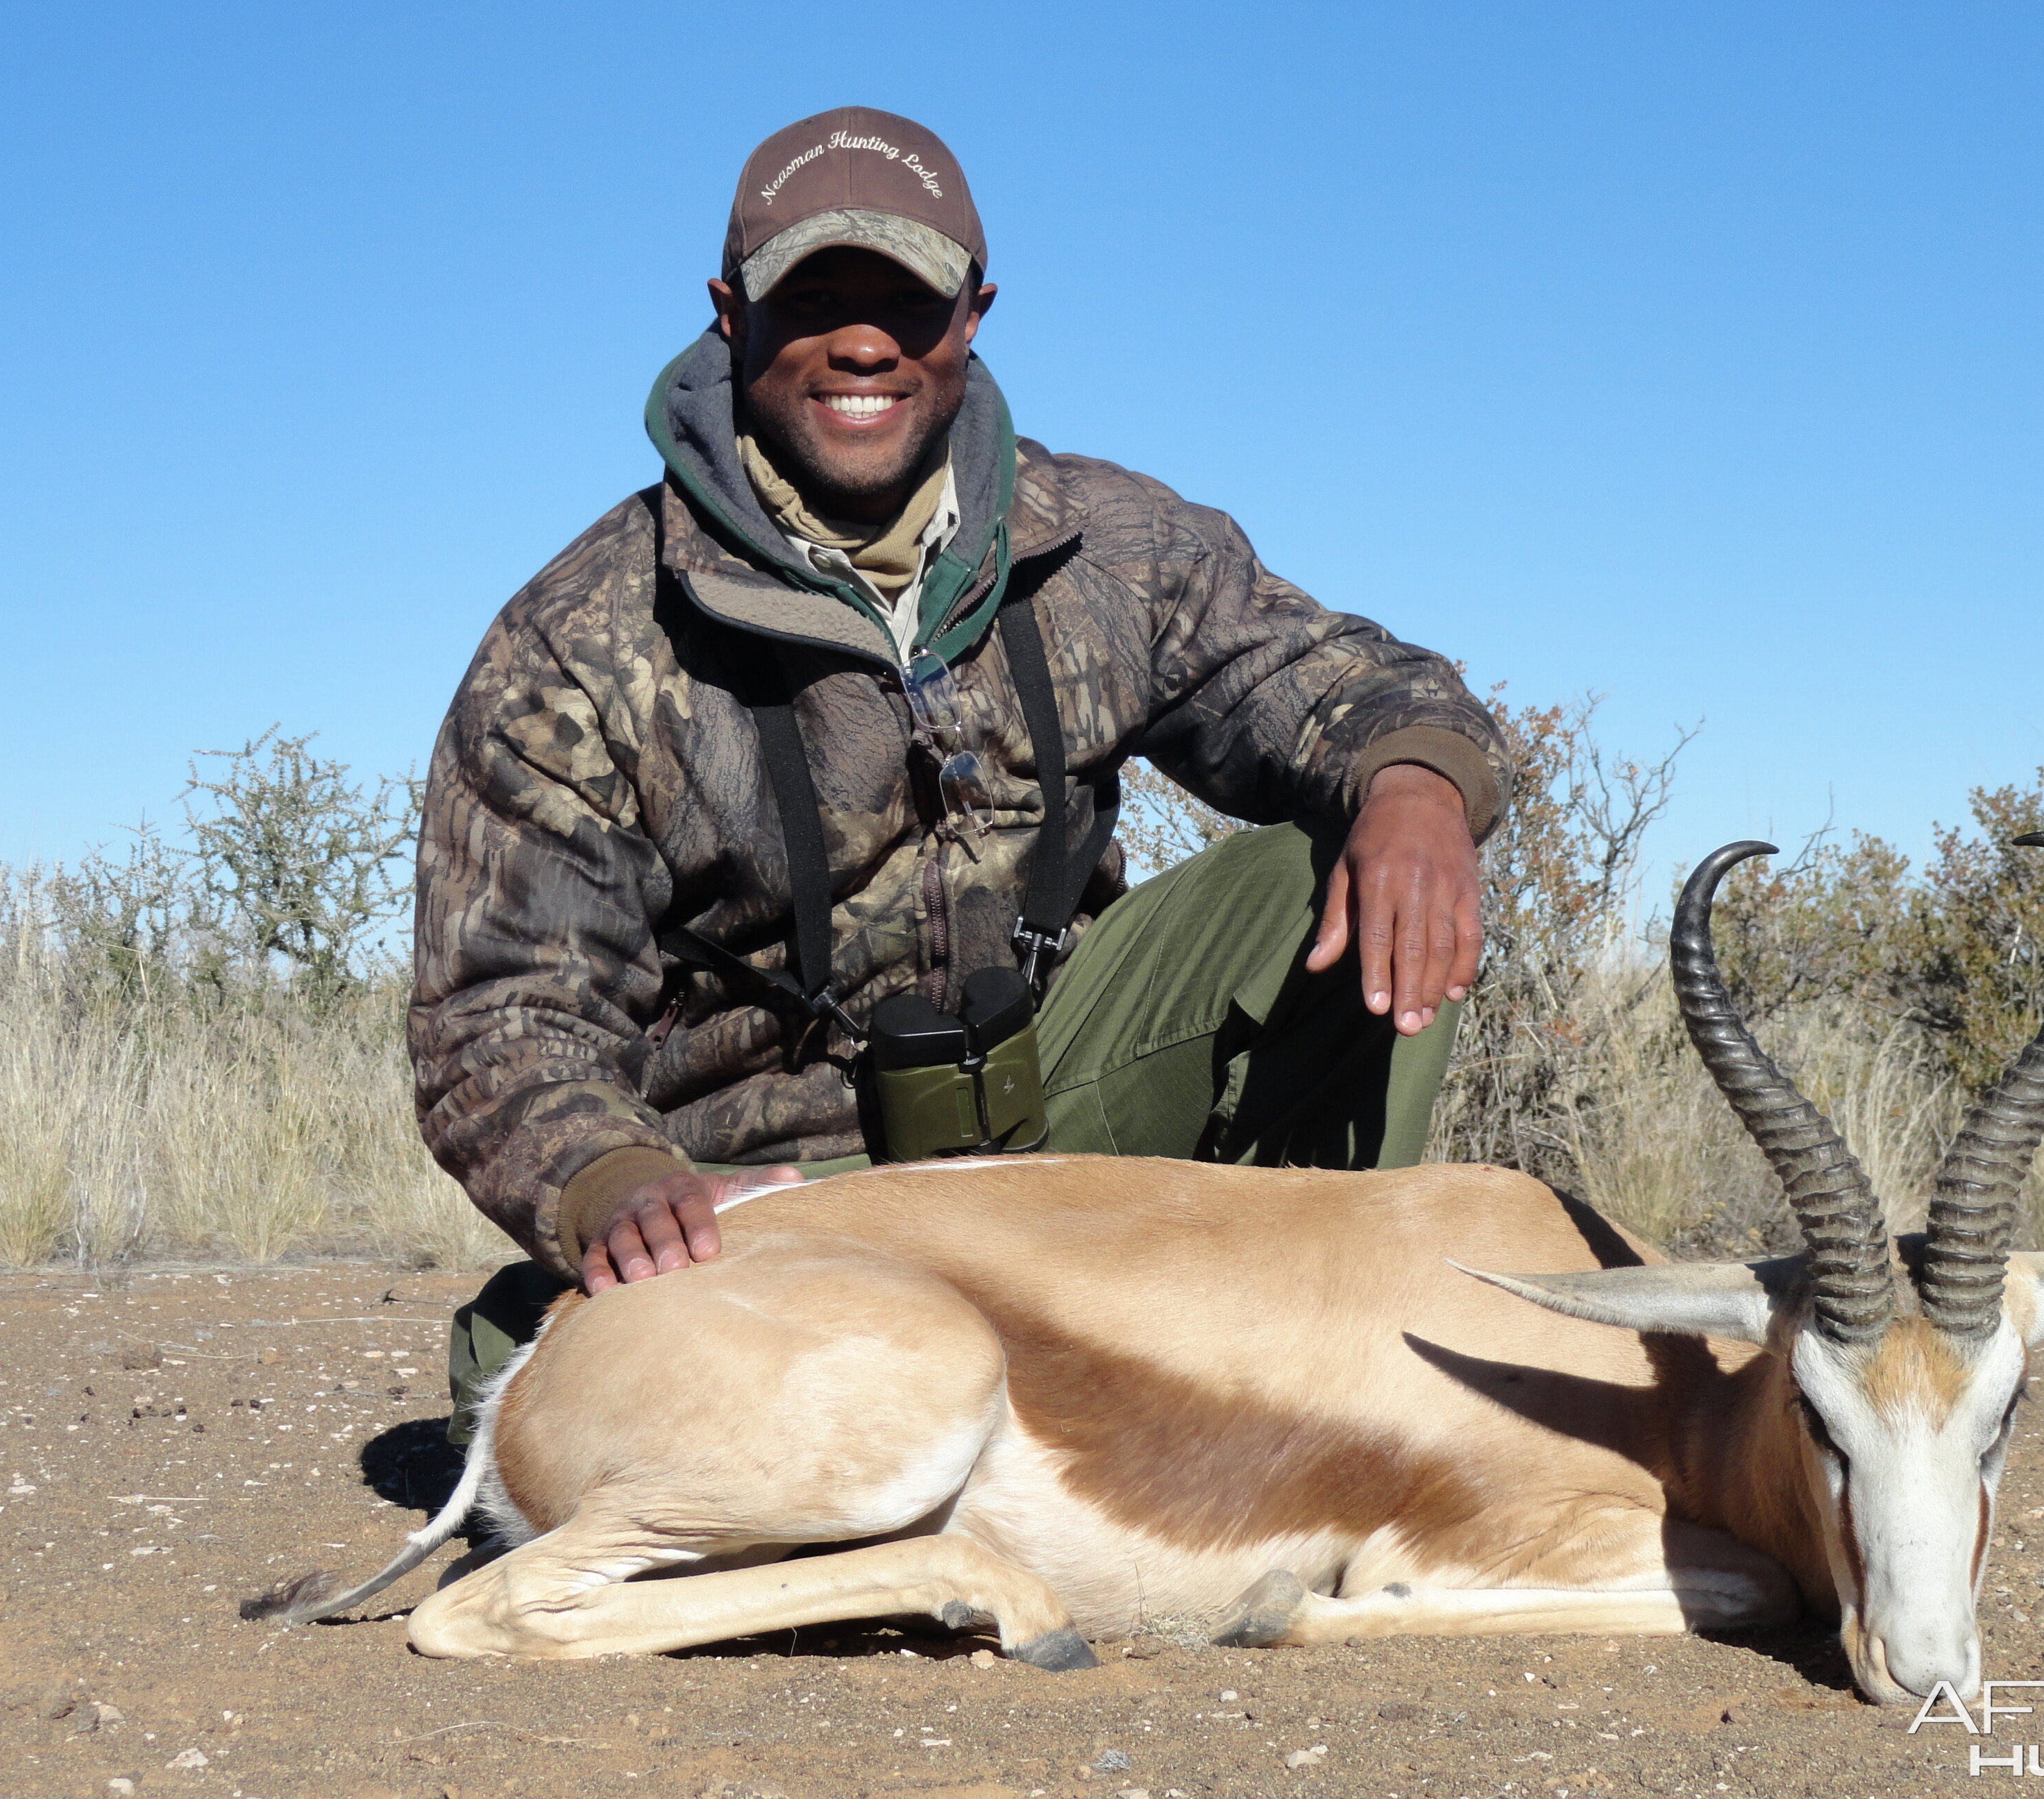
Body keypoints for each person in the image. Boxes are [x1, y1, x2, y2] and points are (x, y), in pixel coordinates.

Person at [411, 108, 1509, 1432]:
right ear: (729, 314)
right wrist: (607, 1181)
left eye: (908, 300)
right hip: (778, 1185)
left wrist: (1418, 786)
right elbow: (497, 1015)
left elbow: (1339, 681)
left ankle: (1325, 1381)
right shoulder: (579, 640)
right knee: (546, 1386)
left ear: (975, 314)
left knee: (1332, 861)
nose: (864, 340)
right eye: (812, 296)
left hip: (1062, 1122)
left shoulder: (1112, 542)